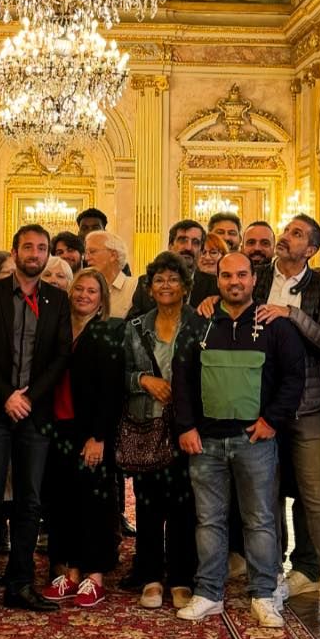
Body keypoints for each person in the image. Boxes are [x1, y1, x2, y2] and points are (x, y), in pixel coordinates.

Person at [173, 252, 305, 628]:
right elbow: (181, 378)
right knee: (209, 521)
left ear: (253, 280)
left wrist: (272, 421)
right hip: (205, 442)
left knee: (261, 520)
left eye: (242, 275)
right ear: (218, 281)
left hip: (255, 441)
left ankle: (264, 594)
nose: (235, 281)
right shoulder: (198, 323)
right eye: (227, 275)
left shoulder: (275, 325)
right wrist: (185, 426)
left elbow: (294, 377)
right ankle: (209, 593)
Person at [250, 216, 320, 635]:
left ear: (311, 249)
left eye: (296, 234)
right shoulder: (257, 277)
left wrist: (291, 313)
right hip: (260, 405)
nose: (285, 238)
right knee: (267, 498)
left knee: (314, 498)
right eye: (286, 231)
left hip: (307, 406)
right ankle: (270, 579)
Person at [0, 224, 71, 621]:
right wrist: (7, 395)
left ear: (47, 256)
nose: (35, 253)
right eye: (28, 247)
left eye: (42, 248)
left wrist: (28, 397)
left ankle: (20, 584)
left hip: (35, 411)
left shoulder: (57, 299)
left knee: (30, 501)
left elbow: (61, 356)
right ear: (14, 252)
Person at [123, 252, 204, 611]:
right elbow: (117, 375)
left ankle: (183, 578)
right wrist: (144, 379)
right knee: (148, 504)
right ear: (150, 287)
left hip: (187, 428)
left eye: (173, 279)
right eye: (159, 280)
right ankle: (152, 576)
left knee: (185, 505)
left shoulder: (201, 325)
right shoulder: (135, 327)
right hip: (147, 426)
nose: (166, 285)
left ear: (185, 287)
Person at [43, 269, 125, 609]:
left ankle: (95, 576)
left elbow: (113, 391)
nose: (84, 295)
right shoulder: (57, 329)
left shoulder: (106, 332)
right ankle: (69, 571)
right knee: (62, 502)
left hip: (91, 431)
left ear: (101, 298)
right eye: (79, 288)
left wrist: (100, 437)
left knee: (95, 504)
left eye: (92, 291)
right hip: (57, 428)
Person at [131, 219, 213, 315]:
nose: (188, 247)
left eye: (195, 242)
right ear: (170, 246)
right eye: (182, 240)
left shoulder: (213, 285)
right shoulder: (146, 283)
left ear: (201, 251)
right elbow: (133, 322)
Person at [85, 229, 135, 319]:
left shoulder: (135, 287)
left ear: (113, 255)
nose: (87, 258)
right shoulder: (84, 289)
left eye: (92, 252)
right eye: (86, 253)